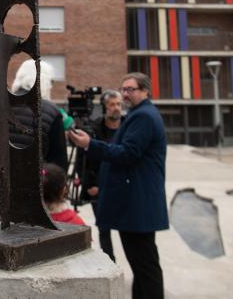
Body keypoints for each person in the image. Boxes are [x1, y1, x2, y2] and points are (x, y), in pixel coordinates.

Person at [68, 72, 168, 299]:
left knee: (145, 265)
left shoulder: (143, 116)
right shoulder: (139, 114)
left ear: (145, 91)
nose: (125, 94)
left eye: (130, 89)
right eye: (123, 89)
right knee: (142, 265)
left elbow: (128, 153)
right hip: (136, 204)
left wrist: (89, 144)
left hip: (137, 205)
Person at [0, 60, 68, 216]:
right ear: (43, 80)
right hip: (31, 196)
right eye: (51, 82)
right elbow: (58, 164)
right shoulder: (51, 111)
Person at [74, 89, 124, 262]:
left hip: (122, 186)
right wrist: (89, 185)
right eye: (112, 105)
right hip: (98, 188)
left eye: (118, 104)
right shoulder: (93, 129)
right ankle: (110, 262)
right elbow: (82, 160)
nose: (116, 108)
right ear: (104, 107)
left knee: (125, 228)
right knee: (104, 228)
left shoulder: (127, 128)